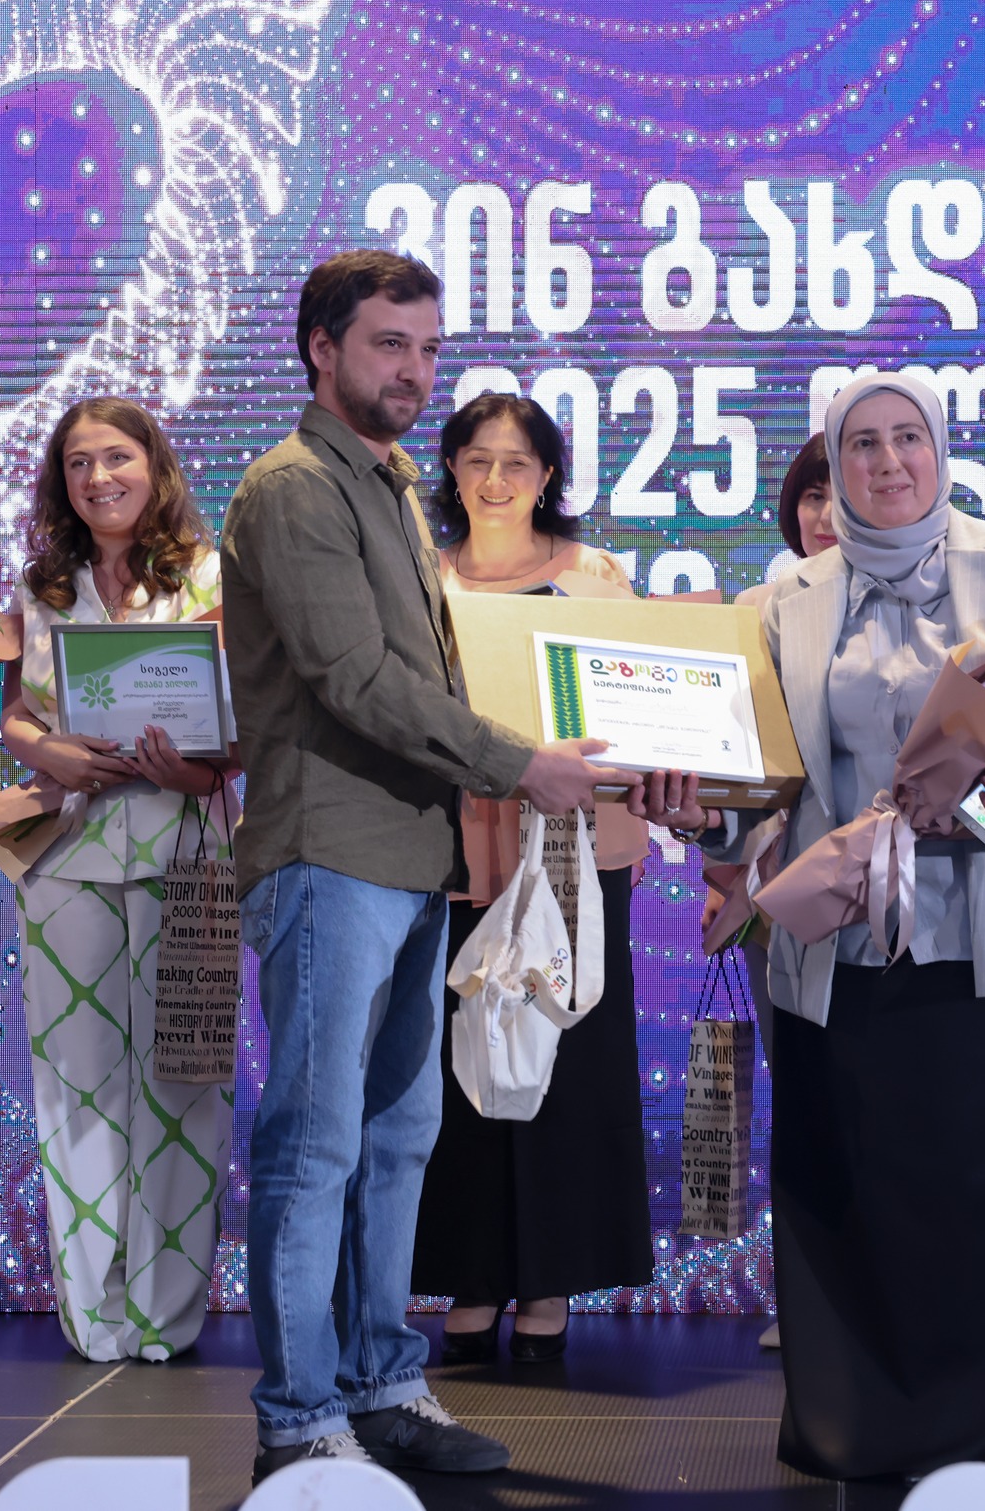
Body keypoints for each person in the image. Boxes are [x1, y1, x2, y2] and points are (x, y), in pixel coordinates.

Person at [220, 251, 623, 1483]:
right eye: (389, 344)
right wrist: (517, 762)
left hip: (411, 856)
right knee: (315, 1146)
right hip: (326, 852)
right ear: (320, 348)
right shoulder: (293, 488)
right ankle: (299, 1415)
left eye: (428, 348)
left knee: (398, 1141)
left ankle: (381, 1384)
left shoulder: (390, 483)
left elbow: (432, 677)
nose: (413, 370)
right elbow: (354, 679)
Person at [653, 373, 985, 1480]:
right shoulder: (782, 600)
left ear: (940, 451)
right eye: (861, 444)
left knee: (982, 1202)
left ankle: (973, 1446)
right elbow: (756, 786)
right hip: (836, 942)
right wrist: (699, 814)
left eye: (908, 439)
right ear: (832, 462)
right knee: (840, 1188)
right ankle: (847, 1429)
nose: (888, 462)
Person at [410, 392, 654, 1364]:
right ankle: (473, 1275)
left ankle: (548, 1276)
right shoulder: (424, 577)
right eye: (477, 460)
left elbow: (635, 706)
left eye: (517, 462)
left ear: (547, 475)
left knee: (565, 1055)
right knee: (459, 1057)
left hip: (571, 850)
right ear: (451, 470)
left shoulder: (593, 578)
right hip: (452, 848)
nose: (496, 480)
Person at [0, 397, 238, 1363]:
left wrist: (187, 766)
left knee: (184, 1081)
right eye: (79, 462)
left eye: (117, 457)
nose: (99, 477)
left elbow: (245, 729)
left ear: (155, 464)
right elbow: (15, 715)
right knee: (77, 1085)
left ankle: (164, 1314)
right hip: (66, 856)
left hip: (187, 850)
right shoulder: (42, 584)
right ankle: (92, 1312)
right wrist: (50, 750)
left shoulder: (215, 575)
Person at [701, 433, 834, 1354]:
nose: (824, 514)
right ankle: (809, 1297)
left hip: (887, 892)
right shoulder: (754, 613)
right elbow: (721, 769)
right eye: (811, 495)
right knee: (804, 1102)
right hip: (774, 891)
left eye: (840, 494)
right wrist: (722, 870)